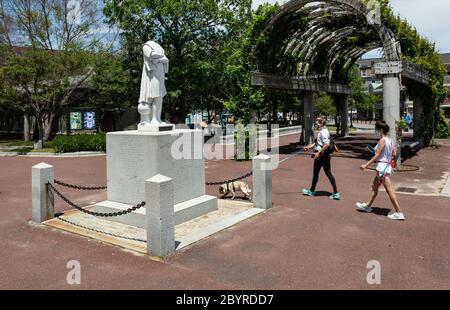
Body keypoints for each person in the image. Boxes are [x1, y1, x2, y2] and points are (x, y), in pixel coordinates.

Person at [357, 120, 405, 221]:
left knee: (389, 190)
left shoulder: (383, 140)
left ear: (381, 129)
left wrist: (366, 164)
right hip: (386, 166)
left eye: (377, 129)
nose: (376, 131)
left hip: (382, 168)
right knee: (375, 187)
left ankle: (399, 212)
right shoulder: (390, 140)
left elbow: (377, 154)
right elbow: (394, 154)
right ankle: (368, 206)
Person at [303, 117, 340, 200]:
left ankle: (311, 191)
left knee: (316, 173)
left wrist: (318, 153)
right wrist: (308, 147)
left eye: (316, 123)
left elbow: (326, 144)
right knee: (328, 173)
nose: (315, 124)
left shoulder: (323, 132)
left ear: (320, 123)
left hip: (321, 156)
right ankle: (336, 193)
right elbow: (318, 143)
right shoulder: (325, 131)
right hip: (326, 156)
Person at [138, 40, 169, 126]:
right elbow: (152, 55)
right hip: (152, 75)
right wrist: (162, 58)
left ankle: (157, 118)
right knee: (155, 96)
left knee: (159, 97)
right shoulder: (146, 46)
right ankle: (154, 119)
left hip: (160, 75)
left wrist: (160, 60)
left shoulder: (160, 48)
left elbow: (166, 60)